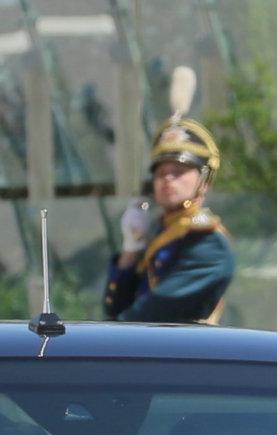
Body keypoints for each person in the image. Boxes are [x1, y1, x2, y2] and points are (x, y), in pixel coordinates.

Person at [103, 70, 234, 325]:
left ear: (203, 182)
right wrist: (130, 250)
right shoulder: (158, 233)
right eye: (161, 172)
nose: (167, 179)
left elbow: (147, 315)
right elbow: (115, 305)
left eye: (179, 172)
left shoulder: (209, 244)